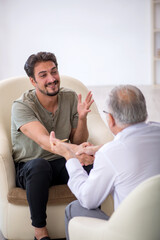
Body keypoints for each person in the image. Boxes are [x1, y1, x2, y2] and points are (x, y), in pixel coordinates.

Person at [49, 84, 160, 240]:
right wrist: (96, 149)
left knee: (74, 209)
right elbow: (132, 141)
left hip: (131, 234)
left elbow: (88, 200)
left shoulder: (110, 154)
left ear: (111, 119)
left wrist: (69, 156)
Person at [11, 52, 94, 240]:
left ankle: (92, 224)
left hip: (62, 161)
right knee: (39, 166)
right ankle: (40, 232)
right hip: (31, 166)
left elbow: (77, 139)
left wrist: (81, 119)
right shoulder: (22, 106)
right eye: (43, 75)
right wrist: (79, 151)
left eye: (54, 72)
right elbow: (45, 141)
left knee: (91, 164)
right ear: (32, 81)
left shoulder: (70, 97)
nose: (52, 79)